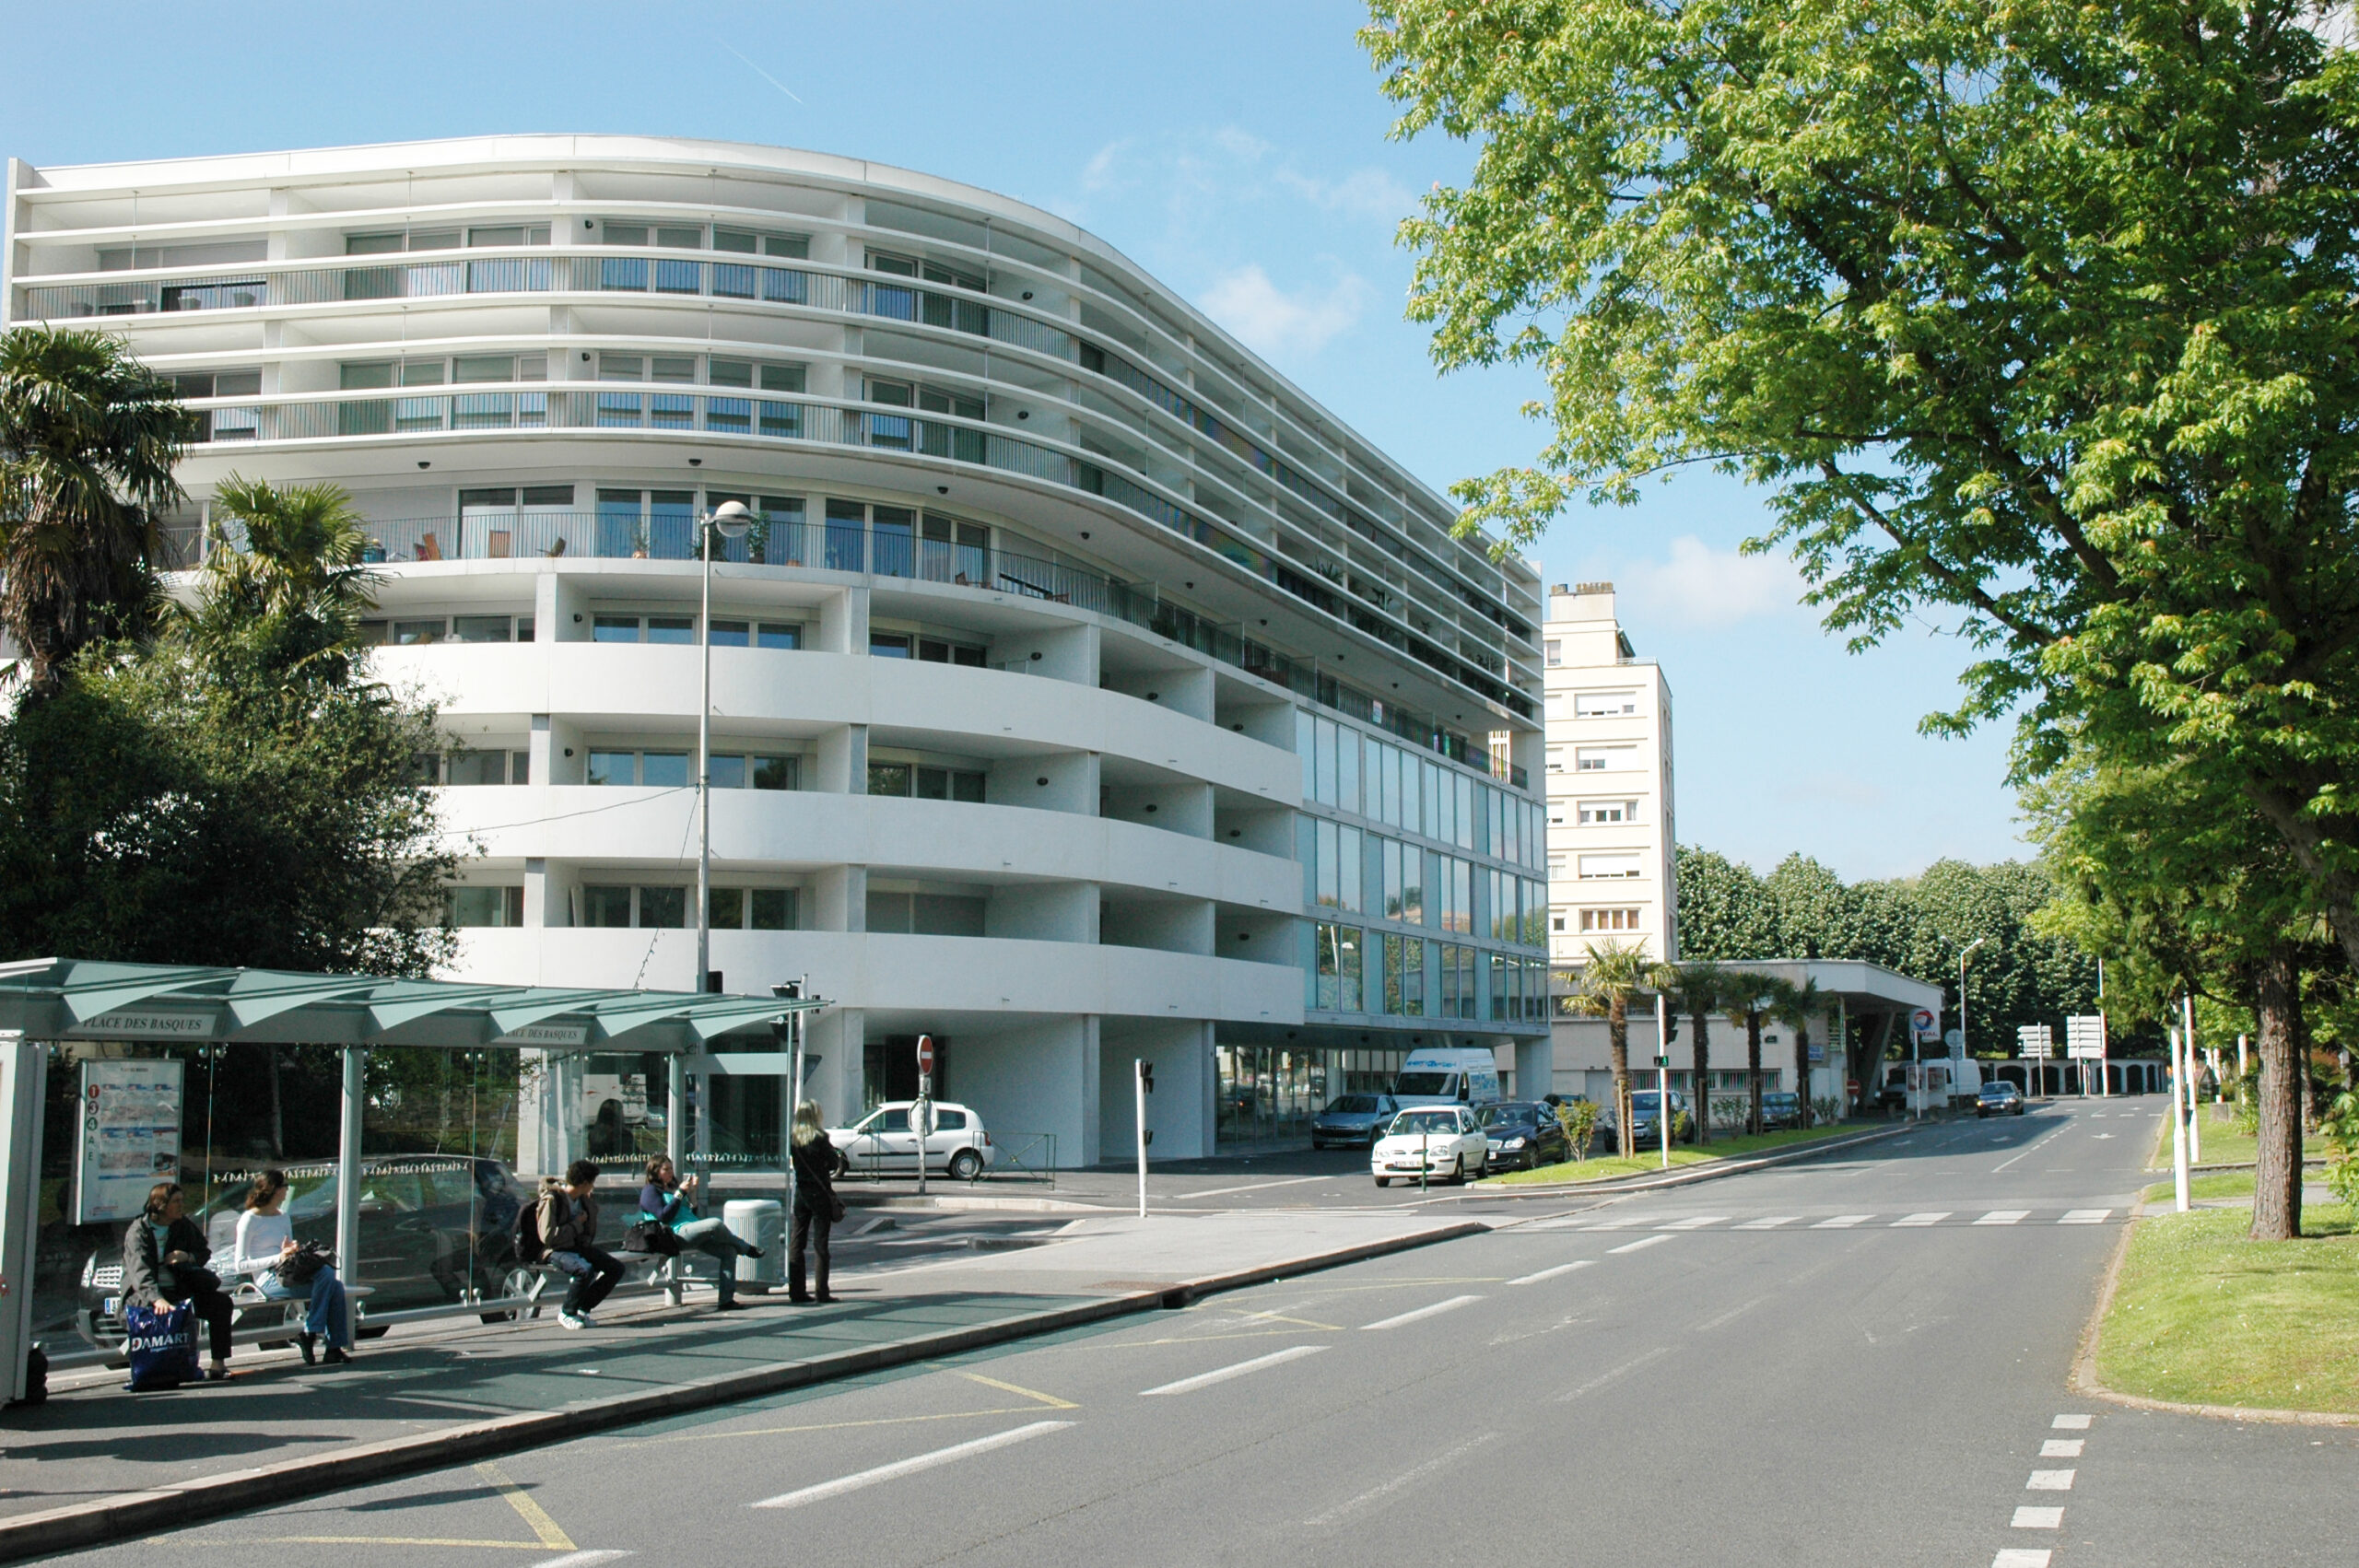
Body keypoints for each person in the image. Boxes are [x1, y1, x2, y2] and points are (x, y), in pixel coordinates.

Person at [231, 1169, 354, 1365]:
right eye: (284, 1186)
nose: (287, 1189)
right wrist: (277, 1257)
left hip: (288, 1272)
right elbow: (240, 1265)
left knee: (333, 1283)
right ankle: (316, 1334)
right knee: (331, 1283)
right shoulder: (249, 1219)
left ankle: (323, 1341)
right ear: (273, 1190)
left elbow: (286, 1247)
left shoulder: (283, 1216)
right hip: (268, 1280)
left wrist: (292, 1250)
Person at [120, 1182, 235, 1381]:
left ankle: (218, 1364)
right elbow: (140, 1272)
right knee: (158, 1313)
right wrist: (157, 1299)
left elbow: (203, 1252)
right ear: (160, 1204)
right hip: (146, 1293)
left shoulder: (183, 1225)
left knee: (220, 1303)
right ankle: (155, 1368)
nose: (182, 1205)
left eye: (182, 1200)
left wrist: (187, 1256)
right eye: (176, 1201)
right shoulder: (139, 1231)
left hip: (181, 1287)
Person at [638, 1155, 761, 1312]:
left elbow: (691, 1213)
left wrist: (692, 1193)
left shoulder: (672, 1188)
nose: (670, 1173)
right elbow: (664, 1216)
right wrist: (680, 1193)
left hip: (690, 1228)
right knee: (715, 1223)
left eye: (671, 1169)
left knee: (729, 1252)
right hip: (674, 1234)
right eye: (666, 1169)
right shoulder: (650, 1191)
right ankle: (746, 1248)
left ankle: (726, 1300)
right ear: (655, 1172)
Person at [537, 1159, 624, 1329]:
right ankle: (567, 1312)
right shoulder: (552, 1200)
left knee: (616, 1268)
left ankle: (583, 1309)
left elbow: (589, 1228)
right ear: (584, 1183)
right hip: (554, 1250)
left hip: (576, 1246)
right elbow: (547, 1236)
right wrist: (576, 1224)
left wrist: (590, 1208)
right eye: (592, 1183)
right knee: (584, 1270)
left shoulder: (582, 1199)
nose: (593, 1187)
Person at [787, 1099, 838, 1305]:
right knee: (820, 1244)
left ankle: (796, 1291)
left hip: (801, 1194)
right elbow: (834, 1163)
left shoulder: (793, 1139)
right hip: (820, 1194)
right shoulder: (820, 1138)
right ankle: (821, 1291)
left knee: (797, 1242)